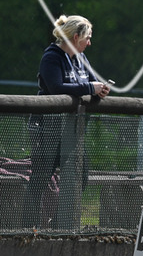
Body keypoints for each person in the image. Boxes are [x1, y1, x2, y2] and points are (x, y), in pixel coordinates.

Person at [21, 15, 111, 228]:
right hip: (47, 127)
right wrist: (91, 88)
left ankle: (59, 224)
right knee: (41, 178)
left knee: (81, 176)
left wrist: (101, 89)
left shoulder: (81, 58)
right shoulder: (52, 57)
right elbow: (56, 88)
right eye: (87, 38)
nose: (89, 43)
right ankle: (27, 228)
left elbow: (91, 82)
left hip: (72, 130)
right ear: (76, 36)